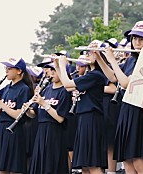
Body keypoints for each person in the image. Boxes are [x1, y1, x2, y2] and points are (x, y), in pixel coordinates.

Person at [96, 20, 143, 174]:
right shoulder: (132, 59)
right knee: (127, 160)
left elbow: (126, 83)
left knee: (139, 160)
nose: (136, 42)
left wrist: (112, 59)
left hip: (141, 112)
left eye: (141, 39)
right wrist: (99, 57)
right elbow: (113, 78)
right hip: (127, 110)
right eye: (134, 38)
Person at [55, 40, 108, 174]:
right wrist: (57, 66)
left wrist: (63, 65)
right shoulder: (89, 75)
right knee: (84, 166)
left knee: (93, 164)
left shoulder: (95, 75)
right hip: (84, 118)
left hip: (93, 119)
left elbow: (67, 84)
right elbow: (68, 88)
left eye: (91, 52)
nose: (87, 55)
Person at [0, 58, 34, 173]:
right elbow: (2, 112)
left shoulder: (24, 89)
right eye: (5, 68)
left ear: (19, 71)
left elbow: (18, 114)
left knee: (13, 169)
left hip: (14, 130)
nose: (6, 71)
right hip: (2, 129)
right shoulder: (7, 88)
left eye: (9, 68)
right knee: (2, 170)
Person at [25, 62, 71, 174]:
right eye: (50, 71)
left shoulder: (65, 91)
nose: (51, 73)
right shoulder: (46, 89)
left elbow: (60, 118)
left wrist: (44, 103)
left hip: (55, 132)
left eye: (54, 70)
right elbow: (33, 113)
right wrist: (27, 110)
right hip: (41, 131)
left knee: (52, 166)